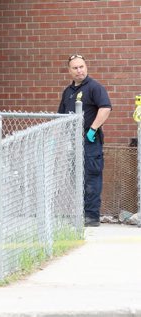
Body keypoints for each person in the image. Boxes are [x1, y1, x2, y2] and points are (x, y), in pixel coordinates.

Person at [58, 54, 112, 227]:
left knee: (91, 177)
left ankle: (92, 216)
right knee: (77, 178)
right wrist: (58, 138)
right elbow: (60, 117)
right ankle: (81, 213)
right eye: (75, 68)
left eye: (81, 66)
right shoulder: (68, 92)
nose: (79, 70)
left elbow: (105, 108)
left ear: (86, 67)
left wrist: (93, 129)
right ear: (69, 71)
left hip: (90, 142)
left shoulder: (94, 87)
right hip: (72, 143)